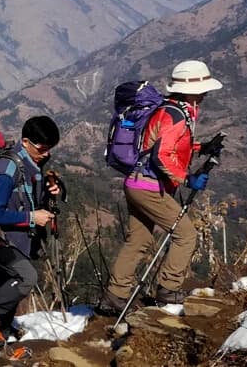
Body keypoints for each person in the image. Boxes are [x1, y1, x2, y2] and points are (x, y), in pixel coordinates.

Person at [98, 60, 223, 315]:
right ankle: (169, 288)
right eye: (203, 90)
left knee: (139, 241)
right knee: (185, 234)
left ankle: (115, 296)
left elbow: (156, 145)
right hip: (149, 187)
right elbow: (163, 155)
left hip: (136, 182)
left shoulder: (169, 109)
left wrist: (201, 148)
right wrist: (187, 179)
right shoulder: (176, 114)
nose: (206, 94)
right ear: (191, 90)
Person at [0, 115, 63, 357]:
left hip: (14, 234)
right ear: (26, 142)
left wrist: (56, 188)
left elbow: (29, 193)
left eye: (49, 149)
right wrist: (32, 218)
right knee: (26, 277)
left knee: (5, 286)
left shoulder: (31, 160)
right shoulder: (7, 169)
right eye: (42, 149)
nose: (46, 154)